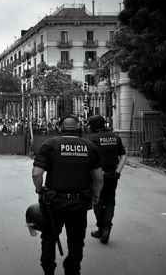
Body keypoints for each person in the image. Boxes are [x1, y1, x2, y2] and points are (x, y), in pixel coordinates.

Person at [31, 115, 103, 275]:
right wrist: (96, 196)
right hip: (79, 203)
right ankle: (72, 270)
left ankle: (48, 270)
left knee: (49, 237)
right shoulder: (90, 147)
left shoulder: (50, 144)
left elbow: (37, 173)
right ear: (79, 129)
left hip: (53, 202)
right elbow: (99, 177)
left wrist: (39, 190)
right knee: (76, 241)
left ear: (60, 128)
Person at [87, 115, 127, 244]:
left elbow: (90, 160)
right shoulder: (116, 137)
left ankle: (101, 229)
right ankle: (106, 228)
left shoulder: (93, 139)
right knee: (110, 201)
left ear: (94, 126)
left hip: (98, 175)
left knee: (97, 200)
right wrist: (117, 172)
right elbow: (123, 156)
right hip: (113, 175)